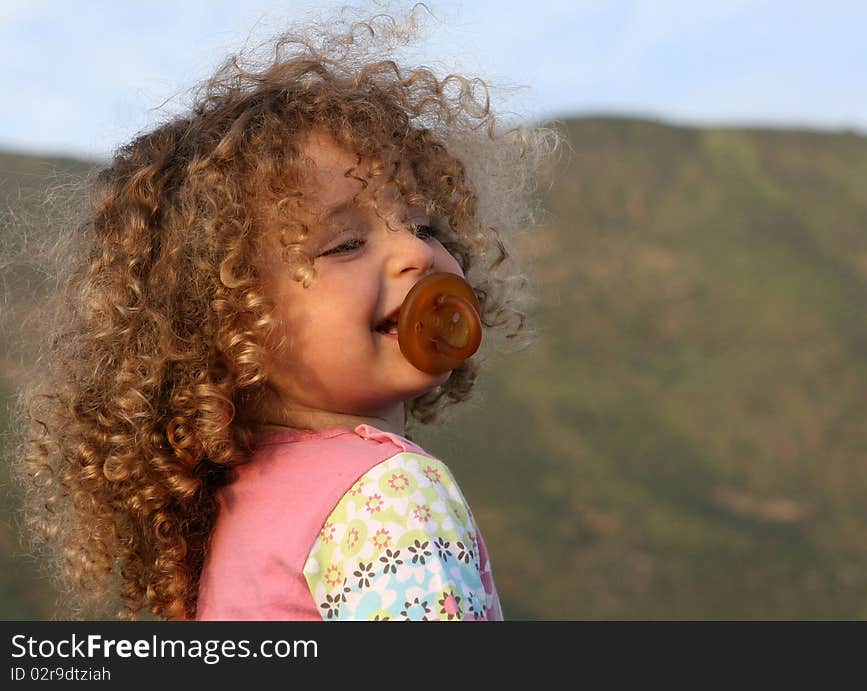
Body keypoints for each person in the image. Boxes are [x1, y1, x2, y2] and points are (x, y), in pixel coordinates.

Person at [10, 8, 556, 621]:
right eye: (345, 244)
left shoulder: (241, 518)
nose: (415, 252)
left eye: (423, 224)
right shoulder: (391, 493)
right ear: (232, 324)